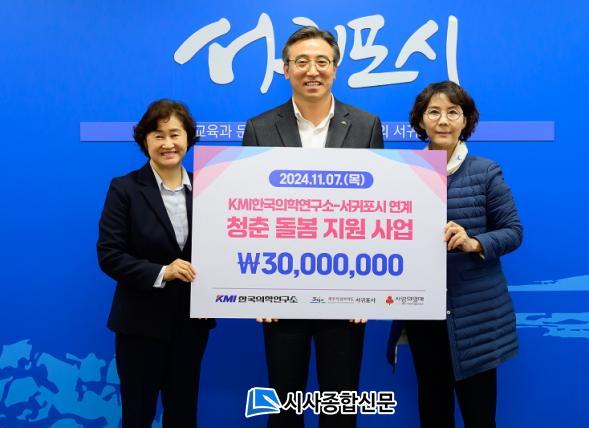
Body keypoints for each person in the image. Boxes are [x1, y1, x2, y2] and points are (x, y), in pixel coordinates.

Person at [242, 26, 383, 428]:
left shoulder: (366, 125)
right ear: (285, 69)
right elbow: (250, 213)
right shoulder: (260, 127)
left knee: (340, 406)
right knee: (284, 407)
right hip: (281, 289)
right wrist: (257, 292)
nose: (312, 70)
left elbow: (376, 211)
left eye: (322, 61)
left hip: (347, 290)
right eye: (301, 61)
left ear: (335, 68)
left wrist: (368, 293)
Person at [388, 81, 523, 428]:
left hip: (476, 315)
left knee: (480, 416)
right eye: (434, 112)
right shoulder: (404, 173)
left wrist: (474, 242)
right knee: (434, 413)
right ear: (420, 121)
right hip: (425, 316)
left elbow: (513, 232)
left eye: (453, 112)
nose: (443, 120)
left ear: (466, 120)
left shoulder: (485, 172)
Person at [97, 99, 215, 427]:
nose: (168, 143)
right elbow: (110, 254)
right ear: (144, 140)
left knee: (183, 414)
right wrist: (163, 272)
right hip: (140, 324)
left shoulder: (209, 188)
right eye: (158, 135)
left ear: (188, 138)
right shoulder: (125, 188)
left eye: (175, 134)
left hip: (191, 324)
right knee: (138, 414)